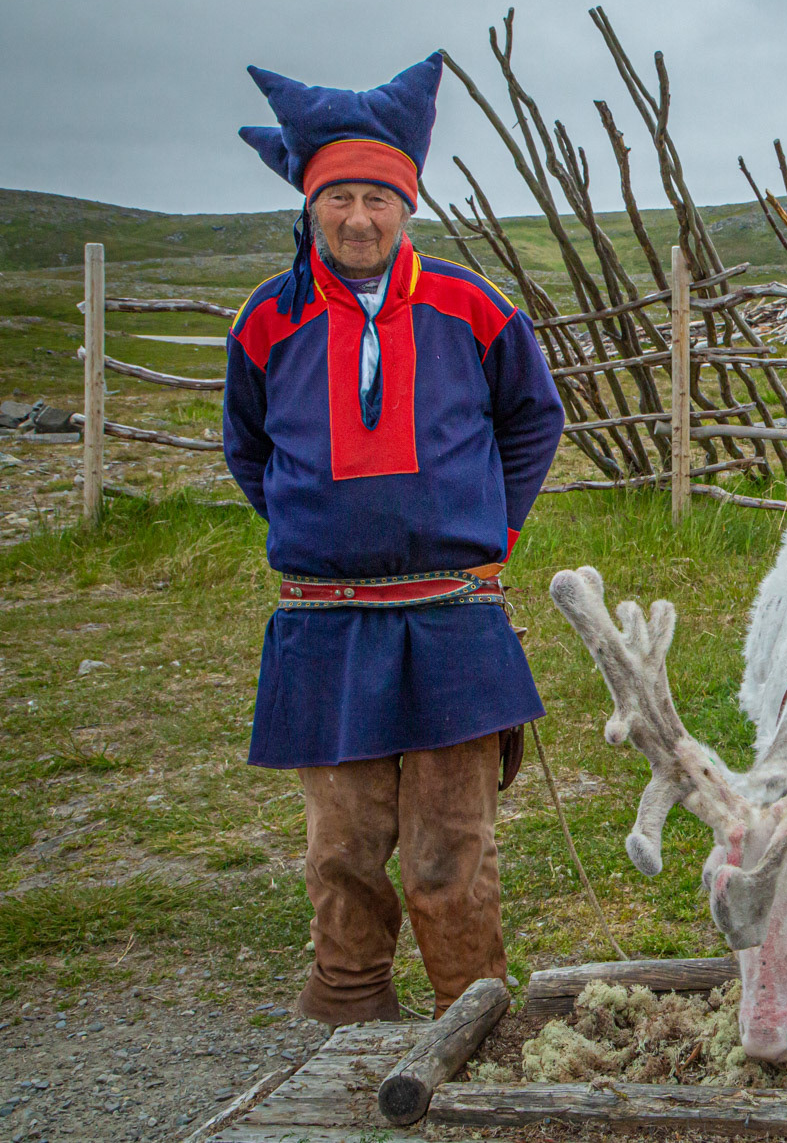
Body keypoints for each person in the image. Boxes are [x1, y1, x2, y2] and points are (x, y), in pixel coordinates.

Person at [222, 53, 564, 1025]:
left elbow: (534, 419)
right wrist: (312, 522)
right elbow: (245, 446)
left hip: (454, 616)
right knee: (342, 834)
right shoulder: (268, 323)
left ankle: (472, 1010)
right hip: (325, 624)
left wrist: (493, 529)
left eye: (378, 197)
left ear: (407, 206)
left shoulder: (471, 308)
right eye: (341, 199)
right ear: (312, 207)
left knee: (453, 836)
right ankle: (349, 997)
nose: (360, 218)